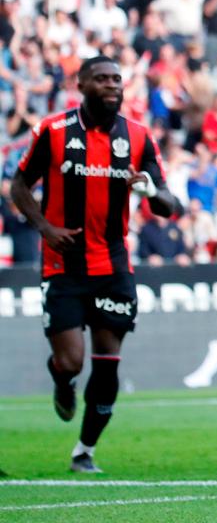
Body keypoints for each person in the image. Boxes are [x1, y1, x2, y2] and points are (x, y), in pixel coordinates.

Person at [10, 55, 182, 473]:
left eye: (117, 79)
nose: (112, 85)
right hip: (63, 264)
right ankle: (62, 379)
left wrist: (150, 191)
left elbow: (169, 204)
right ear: (81, 84)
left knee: (107, 363)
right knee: (71, 360)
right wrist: (44, 227)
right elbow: (19, 185)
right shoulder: (53, 131)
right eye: (102, 78)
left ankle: (84, 450)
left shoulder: (138, 136)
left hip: (113, 266)